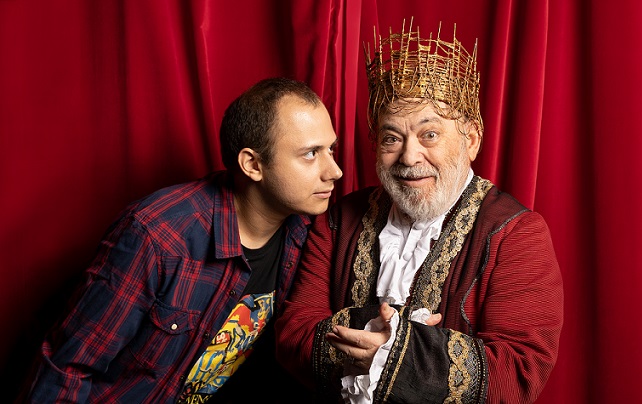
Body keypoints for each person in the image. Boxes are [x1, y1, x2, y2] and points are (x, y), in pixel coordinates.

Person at [274, 21, 564, 403]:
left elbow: (517, 371)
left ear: (471, 140)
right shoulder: (338, 218)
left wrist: (394, 350)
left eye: (429, 135)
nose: (409, 157)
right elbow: (293, 332)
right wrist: (389, 336)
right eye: (392, 138)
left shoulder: (517, 233)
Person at [17, 77, 343, 403]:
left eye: (331, 149)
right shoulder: (158, 235)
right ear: (253, 164)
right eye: (310, 153)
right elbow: (67, 369)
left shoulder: (308, 236)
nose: (335, 171)